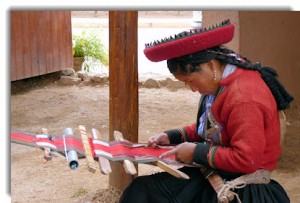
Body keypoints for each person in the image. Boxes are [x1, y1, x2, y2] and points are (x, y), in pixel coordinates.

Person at [119, 19, 292, 203]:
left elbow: (246, 159)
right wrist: (173, 136)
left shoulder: (245, 96)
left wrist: (196, 152)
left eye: (191, 81)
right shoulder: (221, 84)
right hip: (216, 174)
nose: (192, 89)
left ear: (210, 65)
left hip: (243, 190)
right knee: (141, 191)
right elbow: (215, 128)